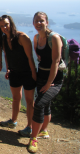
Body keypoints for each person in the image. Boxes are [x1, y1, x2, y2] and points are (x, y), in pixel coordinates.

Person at [27, 12, 63, 153]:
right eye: (36, 21)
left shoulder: (54, 38)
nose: (38, 23)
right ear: (33, 23)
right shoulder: (36, 38)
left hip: (54, 79)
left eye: (41, 21)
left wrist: (49, 82)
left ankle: (33, 138)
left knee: (39, 104)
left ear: (47, 22)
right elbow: (39, 56)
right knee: (46, 104)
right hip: (41, 74)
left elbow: (55, 61)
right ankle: (44, 131)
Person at [0, 15, 36, 137]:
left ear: (11, 24)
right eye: (2, 26)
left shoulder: (22, 37)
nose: (4, 27)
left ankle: (29, 127)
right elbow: (7, 55)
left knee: (29, 101)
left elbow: (30, 57)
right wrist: (8, 69)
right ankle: (13, 121)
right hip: (14, 72)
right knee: (16, 98)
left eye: (6, 24)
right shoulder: (4, 39)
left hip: (27, 73)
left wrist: (34, 74)